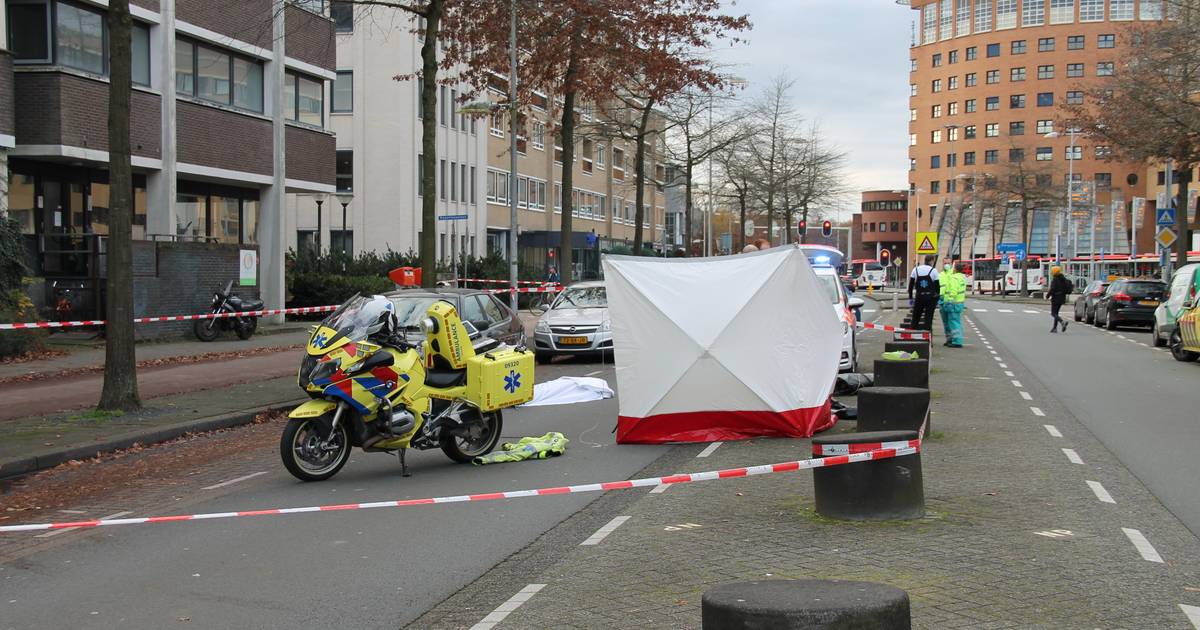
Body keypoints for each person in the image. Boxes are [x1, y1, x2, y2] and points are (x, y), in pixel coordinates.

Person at [908, 255, 940, 331]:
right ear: (932, 261)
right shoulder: (934, 270)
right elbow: (937, 287)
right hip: (930, 298)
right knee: (928, 317)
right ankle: (927, 334)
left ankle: (912, 332)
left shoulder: (915, 270)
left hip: (919, 297)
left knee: (916, 317)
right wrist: (937, 299)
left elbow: (910, 286)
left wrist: (911, 299)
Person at [939, 261, 967, 347]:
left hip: (953, 303)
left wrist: (950, 300)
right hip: (958, 303)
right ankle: (952, 339)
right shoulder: (962, 277)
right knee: (953, 322)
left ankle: (957, 341)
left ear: (955, 269)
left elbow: (953, 291)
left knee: (954, 323)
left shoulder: (954, 278)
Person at [1048, 266, 1073, 333]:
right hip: (1062, 298)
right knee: (1056, 313)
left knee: (1053, 313)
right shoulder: (1063, 279)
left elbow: (1052, 289)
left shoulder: (1055, 279)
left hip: (1056, 298)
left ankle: (1062, 322)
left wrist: (1048, 295)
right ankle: (1055, 328)